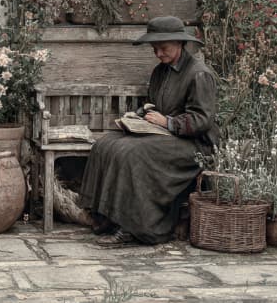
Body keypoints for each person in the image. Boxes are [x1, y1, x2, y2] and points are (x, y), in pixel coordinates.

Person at [79, 15, 219, 246]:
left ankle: (132, 227)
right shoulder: (160, 72)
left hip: (194, 145)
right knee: (107, 143)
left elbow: (202, 120)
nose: (158, 54)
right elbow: (155, 105)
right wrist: (140, 114)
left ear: (179, 43)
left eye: (163, 48)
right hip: (164, 136)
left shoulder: (199, 73)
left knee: (133, 154)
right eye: (155, 49)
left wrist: (168, 123)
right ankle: (105, 216)